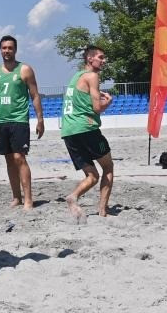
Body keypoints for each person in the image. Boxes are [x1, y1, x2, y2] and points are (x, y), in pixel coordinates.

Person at [0, 35, 44, 210]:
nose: (7, 51)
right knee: (9, 160)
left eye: (10, 48)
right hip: (1, 121)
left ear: (15, 50)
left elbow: (34, 95)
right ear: (0, 49)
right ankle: (16, 197)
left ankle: (28, 199)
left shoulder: (25, 70)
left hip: (19, 120)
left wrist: (40, 119)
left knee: (19, 157)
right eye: (4, 48)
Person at [60, 45, 114, 222]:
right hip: (86, 129)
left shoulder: (75, 76)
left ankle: (73, 196)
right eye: (101, 57)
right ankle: (102, 211)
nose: (104, 60)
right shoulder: (93, 76)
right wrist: (108, 103)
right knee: (107, 167)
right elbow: (97, 108)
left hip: (68, 131)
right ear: (90, 59)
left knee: (92, 176)